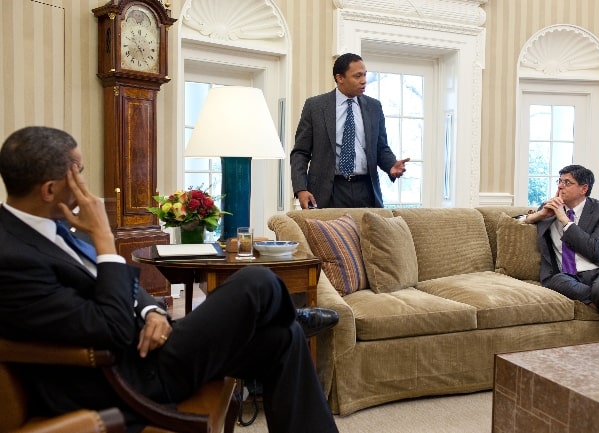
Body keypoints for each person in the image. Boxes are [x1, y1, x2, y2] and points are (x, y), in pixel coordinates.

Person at [0, 126, 340, 433]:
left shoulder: (53, 227)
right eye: (78, 174)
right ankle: (287, 311)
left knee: (284, 337)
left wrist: (153, 313)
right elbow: (111, 326)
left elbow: (116, 288)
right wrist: (105, 238)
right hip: (128, 376)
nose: (85, 187)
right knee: (256, 281)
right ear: (49, 189)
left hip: (150, 348)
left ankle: (288, 319)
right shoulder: (11, 259)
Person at [523, 164, 599, 337]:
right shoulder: (548, 208)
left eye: (567, 182)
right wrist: (540, 215)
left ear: (584, 188)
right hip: (566, 276)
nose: (560, 186)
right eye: (559, 181)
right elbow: (517, 220)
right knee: (555, 282)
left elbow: (596, 251)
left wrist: (564, 220)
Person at [290, 52, 410, 209]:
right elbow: (300, 152)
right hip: (329, 191)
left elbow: (380, 147)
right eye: (357, 76)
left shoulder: (374, 107)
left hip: (366, 189)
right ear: (340, 78)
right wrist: (301, 188)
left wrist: (391, 165)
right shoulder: (315, 107)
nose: (363, 81)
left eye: (365, 75)